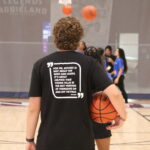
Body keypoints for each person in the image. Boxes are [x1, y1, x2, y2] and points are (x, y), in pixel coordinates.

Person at [26, 17, 126, 150]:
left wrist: (29, 139)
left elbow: (33, 108)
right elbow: (115, 94)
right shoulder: (90, 64)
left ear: (56, 37)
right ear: (79, 39)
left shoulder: (40, 65)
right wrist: (122, 116)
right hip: (81, 140)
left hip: (49, 140)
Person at [86, 47, 112, 150]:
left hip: (84, 116)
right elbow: (113, 95)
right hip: (101, 115)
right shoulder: (104, 75)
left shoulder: (79, 74)